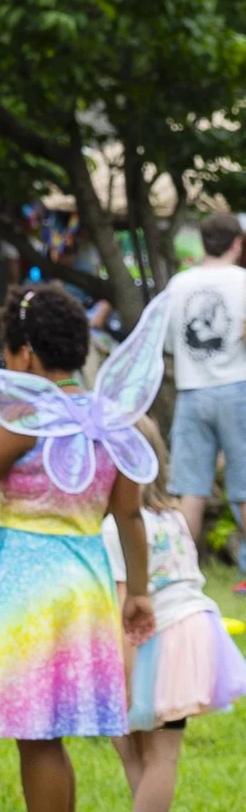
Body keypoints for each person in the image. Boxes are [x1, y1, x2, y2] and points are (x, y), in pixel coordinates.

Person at [0, 283, 153, 812]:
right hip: (84, 579)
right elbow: (129, 514)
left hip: (29, 583)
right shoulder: (109, 420)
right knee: (50, 725)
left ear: (26, 354)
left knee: (37, 733)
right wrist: (138, 593)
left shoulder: (27, 417)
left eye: (9, 353)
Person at [106, 414, 246, 812]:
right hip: (193, 631)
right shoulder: (173, 517)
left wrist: (125, 676)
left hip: (160, 641)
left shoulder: (118, 527)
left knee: (154, 751)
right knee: (139, 745)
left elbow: (124, 606)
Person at [163, 208, 246, 554]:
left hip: (191, 392)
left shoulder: (179, 284)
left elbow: (169, 344)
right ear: (237, 243)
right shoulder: (243, 281)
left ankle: (182, 570)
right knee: (244, 490)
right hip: (238, 389)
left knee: (191, 490)